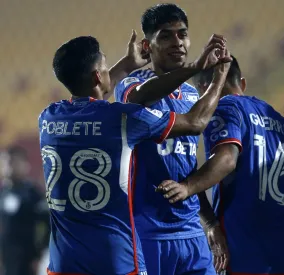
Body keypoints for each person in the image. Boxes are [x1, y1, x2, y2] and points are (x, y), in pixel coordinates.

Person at [41, 34, 230, 274]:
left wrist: (128, 63)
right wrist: (219, 75)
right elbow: (195, 122)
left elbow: (90, 100)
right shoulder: (122, 119)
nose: (111, 72)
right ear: (98, 76)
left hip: (63, 261)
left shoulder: (48, 118)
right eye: (106, 68)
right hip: (115, 259)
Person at [157, 55, 284, 275]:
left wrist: (188, 187)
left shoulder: (225, 107)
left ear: (206, 89)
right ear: (242, 83)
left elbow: (227, 159)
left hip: (241, 254)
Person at [114, 4, 229, 275]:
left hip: (190, 231)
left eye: (182, 34)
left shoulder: (190, 95)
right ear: (148, 45)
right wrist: (197, 68)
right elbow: (139, 97)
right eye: (165, 36)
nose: (177, 42)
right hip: (146, 232)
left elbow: (186, 164)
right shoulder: (130, 85)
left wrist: (210, 223)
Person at [0, 146, 49, 275]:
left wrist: (39, 255)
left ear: (24, 165)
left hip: (28, 260)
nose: (9, 166)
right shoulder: (2, 193)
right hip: (5, 260)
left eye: (13, 162)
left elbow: (48, 224)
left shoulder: (33, 194)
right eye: (6, 162)